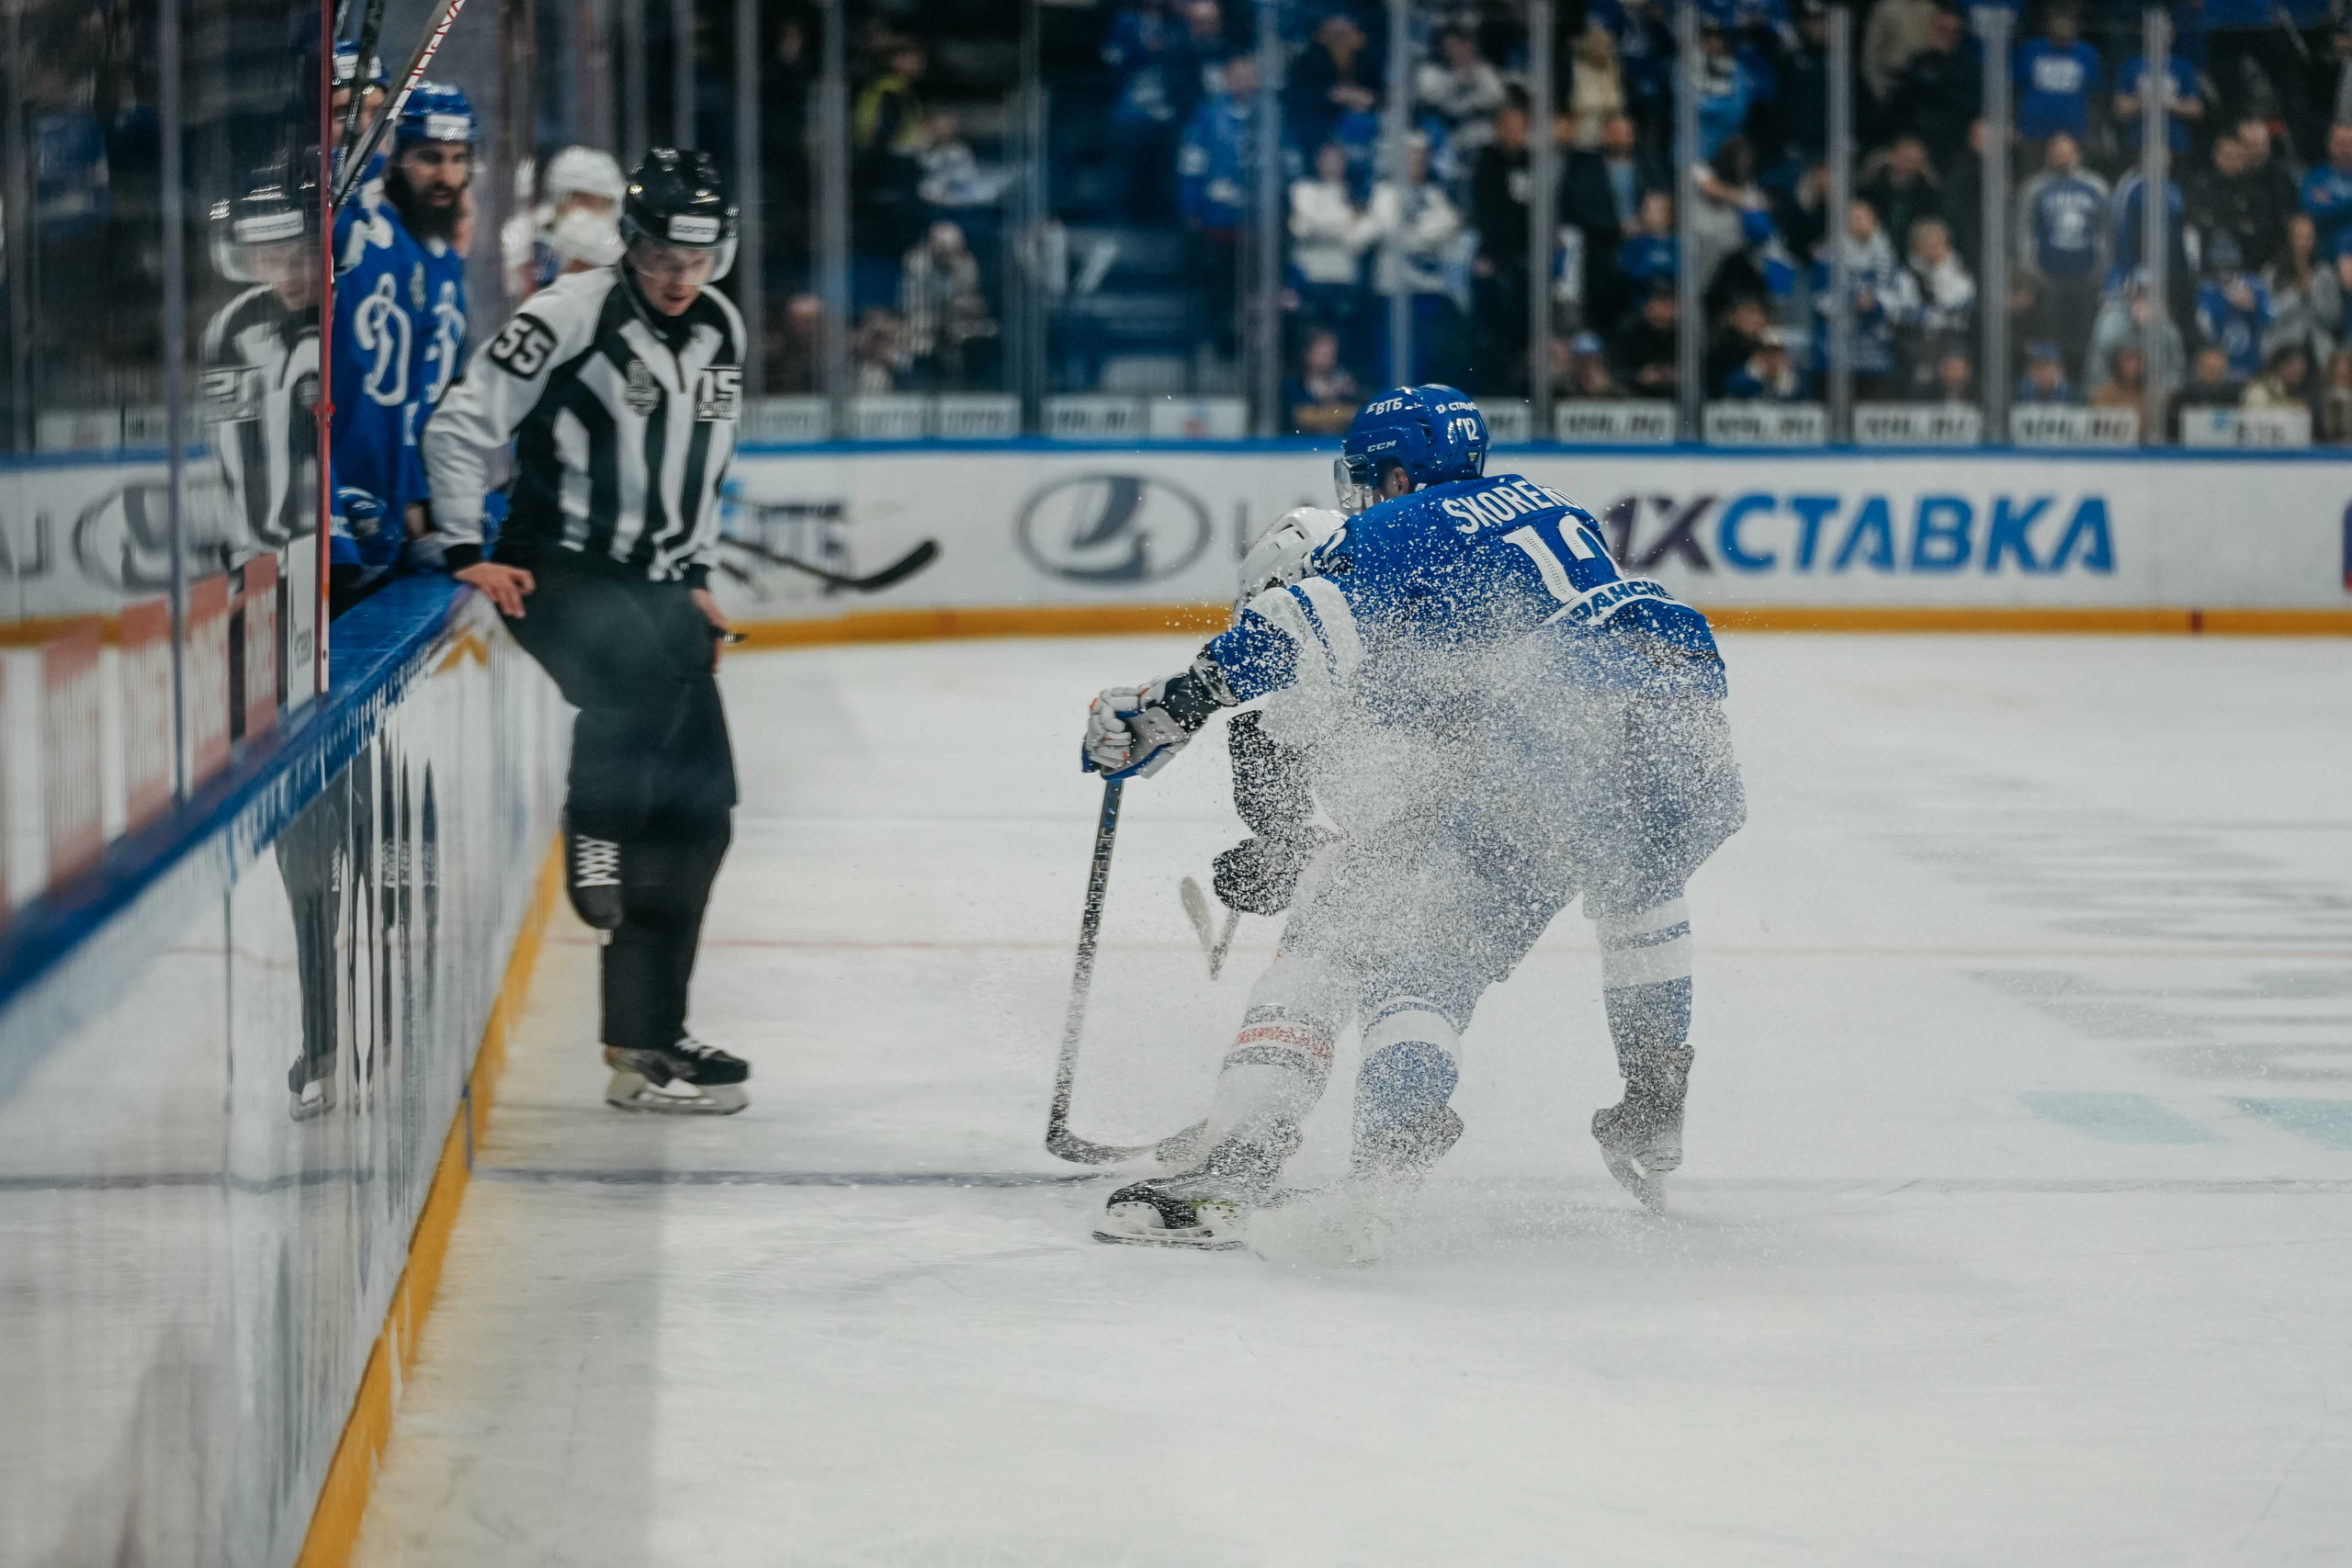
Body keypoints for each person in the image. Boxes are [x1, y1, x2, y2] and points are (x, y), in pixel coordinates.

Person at [1079, 388, 1743, 1256]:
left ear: (1396, 474)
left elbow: (1303, 638)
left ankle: (1279, 1148)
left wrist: (1175, 706)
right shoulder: (1523, 526)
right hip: (1686, 693)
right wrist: (1292, 845)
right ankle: (1654, 1096)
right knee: (1640, 892)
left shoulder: (1387, 549)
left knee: (1394, 955)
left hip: (1559, 723)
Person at [423, 149, 752, 1115]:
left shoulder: (721, 327)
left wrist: (693, 576)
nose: (679, 277)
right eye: (658, 255)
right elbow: (458, 425)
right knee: (636, 697)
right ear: (629, 241)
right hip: (557, 572)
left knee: (700, 815)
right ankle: (593, 827)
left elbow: (702, 463)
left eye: (698, 258)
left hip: (660, 590)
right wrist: (458, 549)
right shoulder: (568, 312)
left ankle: (645, 1038)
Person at [328, 80, 476, 609]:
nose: (447, 176)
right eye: (430, 158)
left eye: (459, 159)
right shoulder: (372, 237)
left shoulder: (436, 251)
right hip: (357, 498)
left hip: (399, 499)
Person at [503, 144, 627, 300]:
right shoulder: (527, 232)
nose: (608, 213)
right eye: (603, 203)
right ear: (576, 198)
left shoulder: (606, 238)